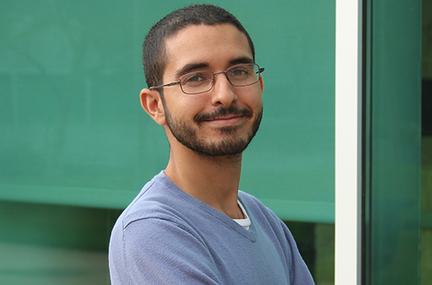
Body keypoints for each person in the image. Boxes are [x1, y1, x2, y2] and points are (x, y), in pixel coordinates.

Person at [109, 4, 315, 285]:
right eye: (195, 78)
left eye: (239, 71)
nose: (225, 95)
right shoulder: (152, 231)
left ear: (260, 86)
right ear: (155, 105)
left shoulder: (263, 219)